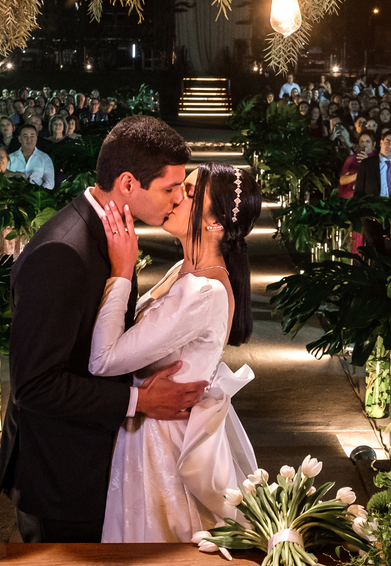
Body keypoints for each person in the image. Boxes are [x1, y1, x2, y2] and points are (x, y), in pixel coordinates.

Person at [0, 116, 207, 544]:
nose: (179, 198)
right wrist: (139, 400)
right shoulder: (62, 253)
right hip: (62, 475)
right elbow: (34, 385)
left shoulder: (110, 233)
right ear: (128, 183)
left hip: (92, 462)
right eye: (170, 188)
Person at [87, 164, 263, 538]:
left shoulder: (203, 291)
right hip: (150, 430)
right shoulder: (184, 270)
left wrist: (121, 271)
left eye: (189, 193)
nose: (176, 197)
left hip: (164, 446)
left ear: (215, 223)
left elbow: (104, 360)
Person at [353, 131, 391, 250]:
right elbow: (359, 192)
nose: (390, 146)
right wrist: (365, 210)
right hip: (372, 212)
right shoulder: (367, 164)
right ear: (381, 143)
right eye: (387, 142)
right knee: (375, 245)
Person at [9, 123, 56, 189]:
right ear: (20, 139)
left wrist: (35, 192)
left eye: (32, 136)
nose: (29, 139)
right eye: (25, 136)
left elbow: (50, 184)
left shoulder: (45, 158)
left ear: (36, 138)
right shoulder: (10, 158)